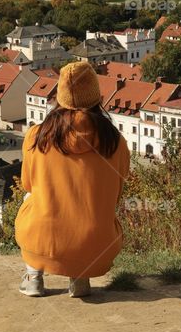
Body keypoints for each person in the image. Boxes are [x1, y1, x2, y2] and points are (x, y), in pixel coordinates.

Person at [14, 61, 130, 298]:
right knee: (92, 204)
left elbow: (27, 184)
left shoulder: (37, 136)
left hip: (44, 240)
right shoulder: (115, 141)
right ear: (97, 96)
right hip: (98, 244)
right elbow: (117, 191)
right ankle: (80, 278)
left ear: (60, 96)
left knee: (31, 197)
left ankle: (33, 278)